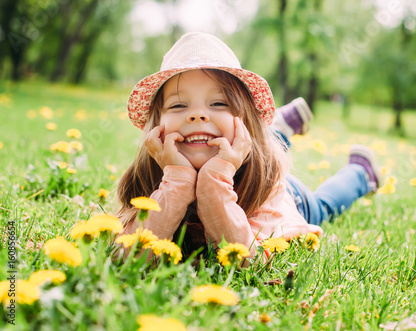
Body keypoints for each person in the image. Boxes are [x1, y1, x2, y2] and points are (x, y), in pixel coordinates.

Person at [116, 32, 380, 259]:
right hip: (244, 149)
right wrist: (177, 181)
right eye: (178, 105)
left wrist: (214, 181)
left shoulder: (269, 185)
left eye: (218, 103)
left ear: (245, 120)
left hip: (286, 193)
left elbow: (246, 257)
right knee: (241, 136)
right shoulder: (147, 176)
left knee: (323, 207)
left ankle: (360, 173)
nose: (196, 115)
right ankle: (281, 127)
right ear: (156, 125)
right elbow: (129, 255)